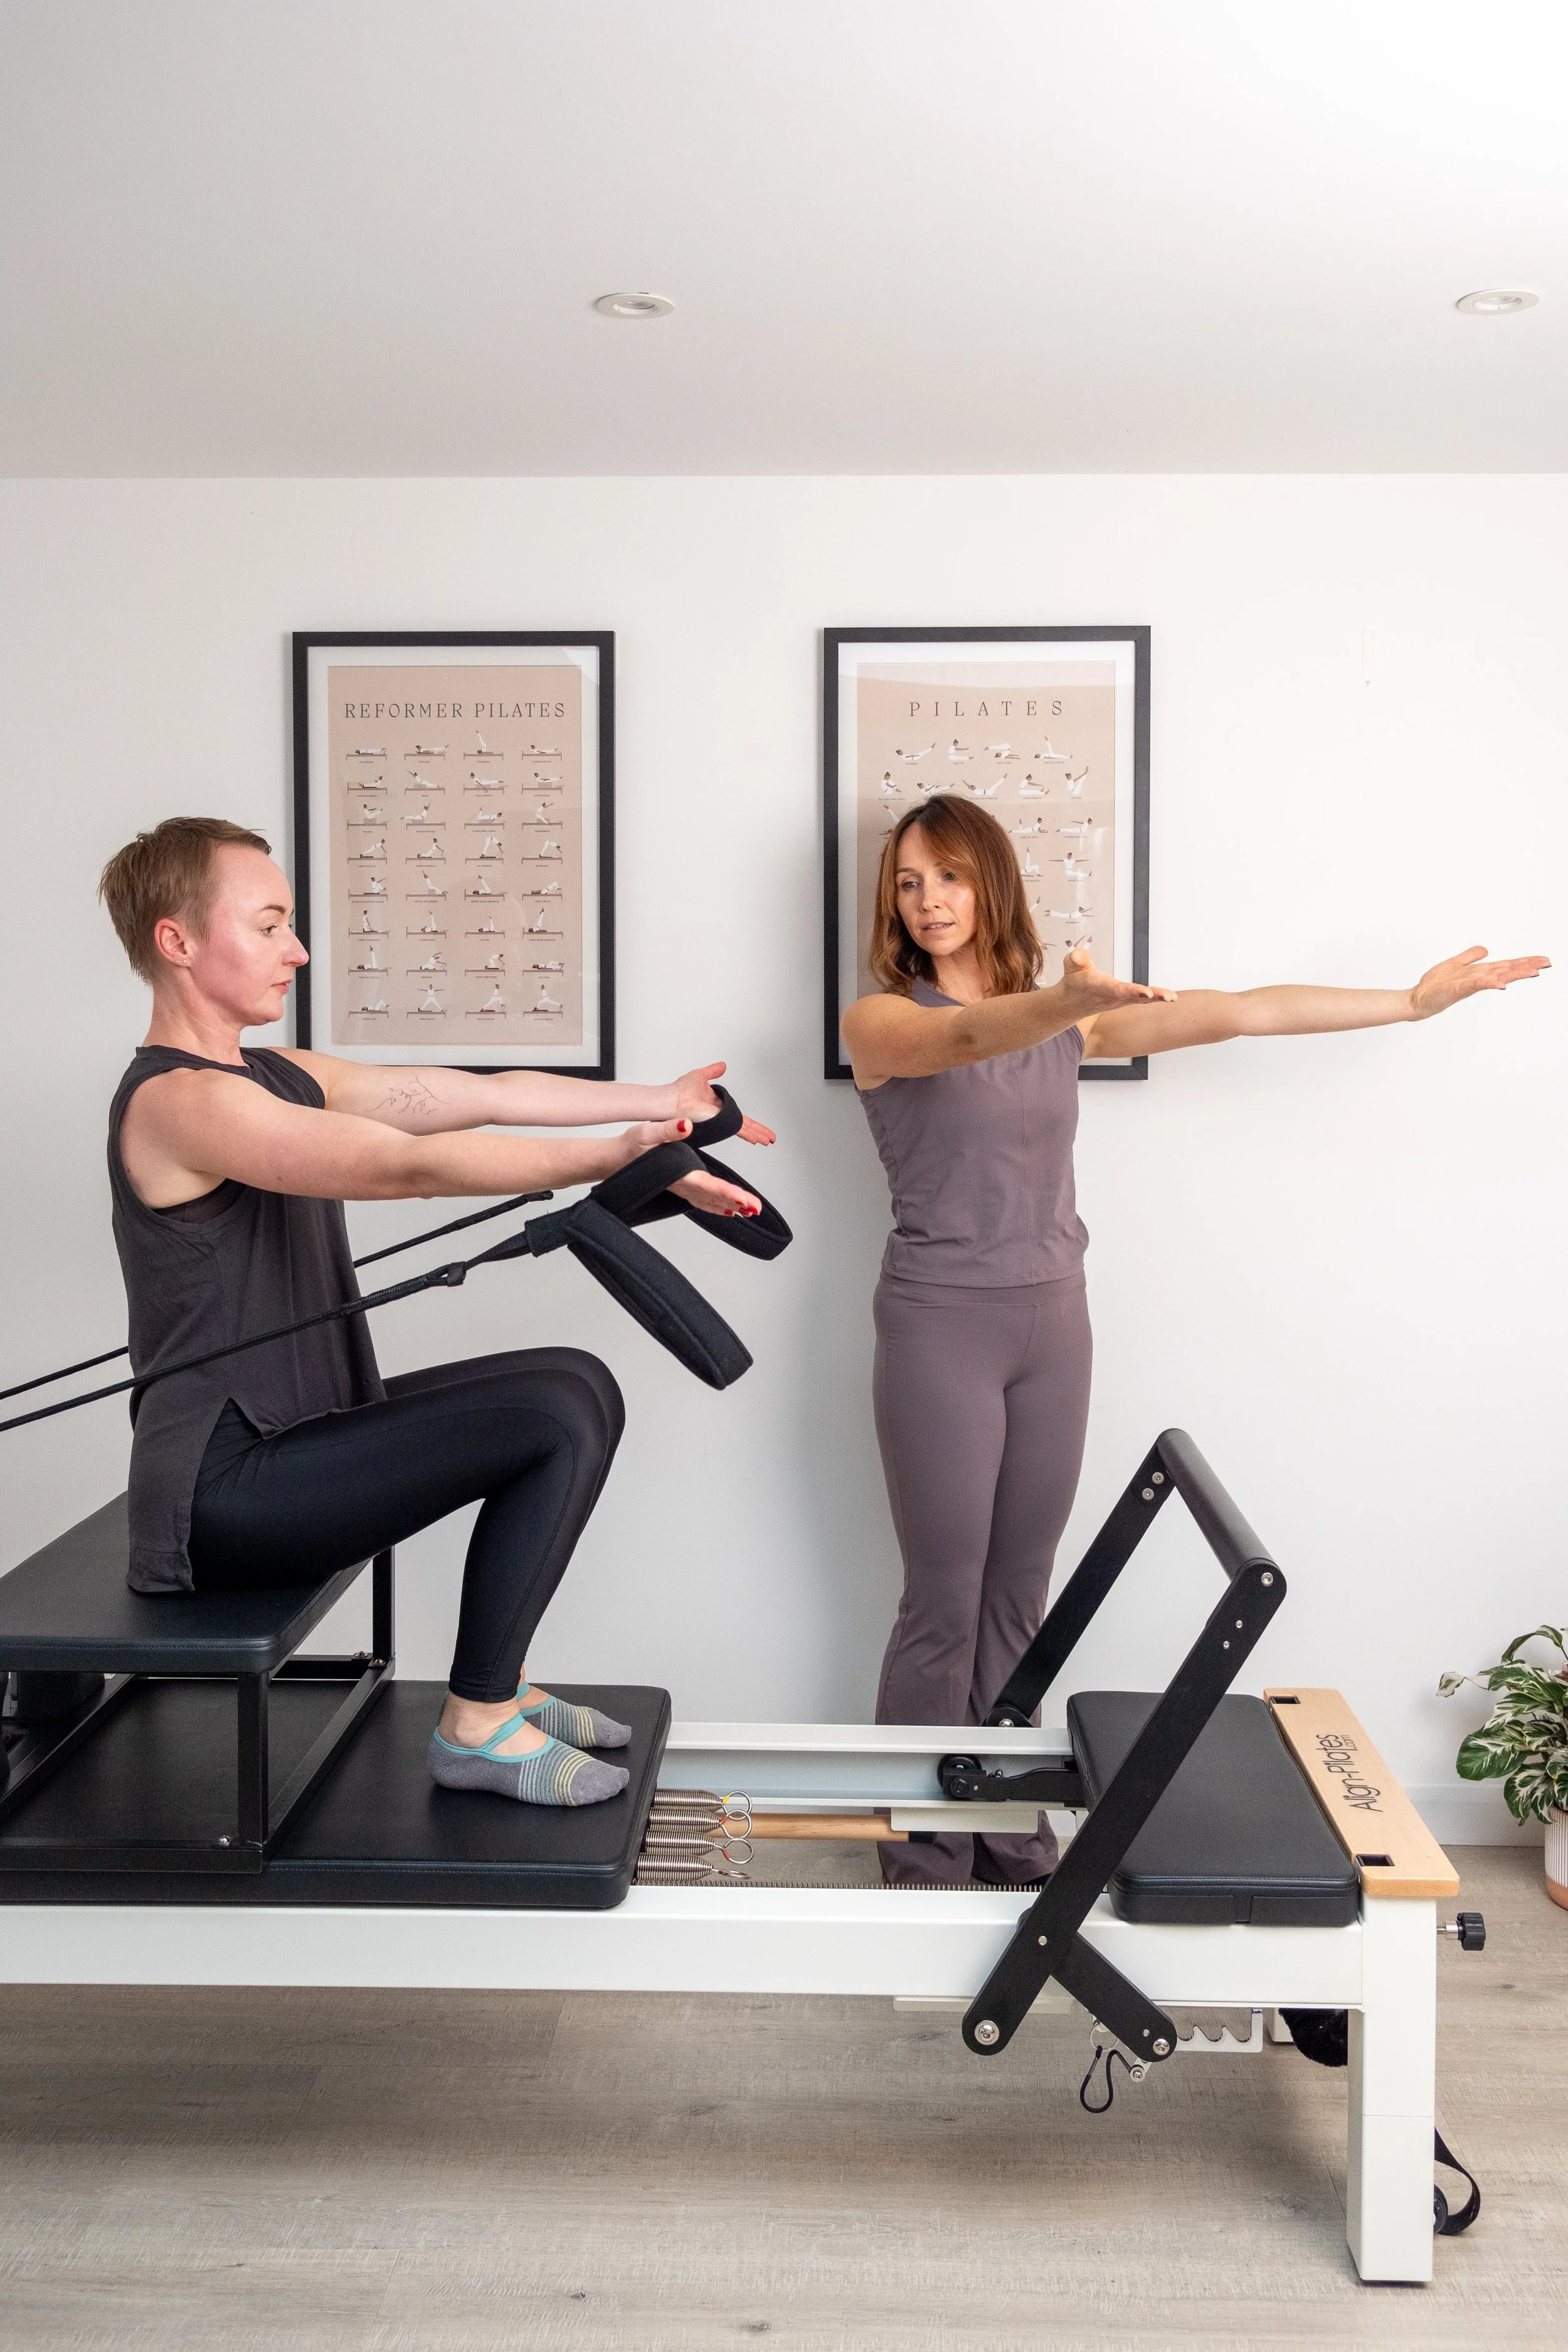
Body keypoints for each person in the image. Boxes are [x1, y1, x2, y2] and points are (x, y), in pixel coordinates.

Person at [841, 795, 1547, 1888]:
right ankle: (926, 1855)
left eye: (948, 876)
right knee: (943, 1596)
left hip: (1055, 1321)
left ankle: (1009, 1828)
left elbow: (1245, 1012)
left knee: (1021, 1589)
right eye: (906, 881)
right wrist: (1062, 999)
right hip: (941, 1320)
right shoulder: (880, 1022)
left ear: (992, 884)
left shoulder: (1072, 1024)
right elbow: (969, 1035)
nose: (927, 899)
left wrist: (1410, 1002)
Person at [99, 818, 774, 1808]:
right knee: (550, 1411)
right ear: (179, 941)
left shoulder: (278, 1075)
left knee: (576, 1382)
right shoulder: (178, 1102)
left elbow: (475, 1095)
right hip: (225, 1490)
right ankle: (477, 1725)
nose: (299, 948)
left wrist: (660, 1106)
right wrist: (619, 1159)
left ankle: (492, 1694)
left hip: (306, 1438)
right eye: (273, 923)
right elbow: (404, 1166)